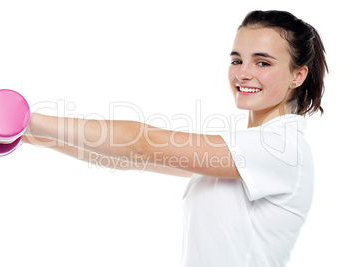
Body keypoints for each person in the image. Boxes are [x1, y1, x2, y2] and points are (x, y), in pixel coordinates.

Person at [18, 10, 327, 267]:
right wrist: (31, 137)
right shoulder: (244, 153)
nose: (243, 73)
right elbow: (130, 158)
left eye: (262, 62)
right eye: (236, 60)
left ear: (297, 75)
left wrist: (28, 118)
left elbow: (142, 142)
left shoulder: (280, 148)